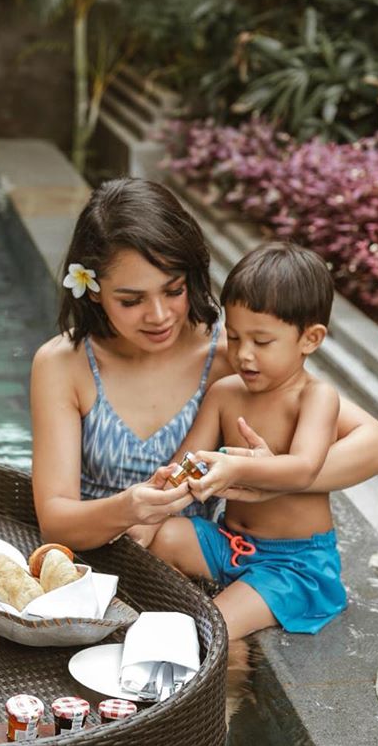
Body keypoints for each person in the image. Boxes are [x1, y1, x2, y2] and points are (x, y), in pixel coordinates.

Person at [30, 178, 378, 610]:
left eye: (174, 290)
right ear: (93, 291)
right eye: (131, 300)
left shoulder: (229, 357)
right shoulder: (65, 364)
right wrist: (130, 507)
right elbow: (56, 523)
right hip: (90, 567)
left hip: (190, 567)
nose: (159, 315)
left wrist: (267, 477)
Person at [148, 240, 352, 640]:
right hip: (229, 543)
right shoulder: (226, 392)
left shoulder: (315, 398)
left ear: (309, 339)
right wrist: (152, 508)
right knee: (163, 536)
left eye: (262, 342)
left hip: (292, 564)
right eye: (236, 337)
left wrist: (238, 466)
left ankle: (194, 634)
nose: (243, 355)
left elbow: (303, 468)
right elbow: (189, 460)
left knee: (211, 626)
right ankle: (178, 608)